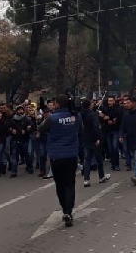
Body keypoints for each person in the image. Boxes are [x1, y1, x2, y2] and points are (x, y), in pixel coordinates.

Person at [38, 94, 81, 228]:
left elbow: (41, 129)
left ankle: (64, 208)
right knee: (70, 183)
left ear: (57, 104)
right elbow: (81, 130)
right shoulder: (75, 116)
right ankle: (68, 211)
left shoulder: (52, 118)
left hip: (56, 155)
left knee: (60, 184)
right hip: (71, 154)